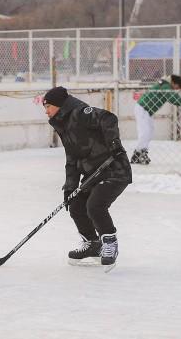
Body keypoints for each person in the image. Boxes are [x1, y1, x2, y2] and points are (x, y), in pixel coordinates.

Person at [44, 86, 132, 269]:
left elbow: (109, 118)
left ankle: (109, 243)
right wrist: (70, 187)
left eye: (48, 106)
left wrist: (114, 144)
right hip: (94, 174)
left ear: (60, 105)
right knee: (76, 204)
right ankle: (93, 244)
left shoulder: (80, 113)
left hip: (114, 169)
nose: (46, 111)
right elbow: (72, 159)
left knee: (95, 205)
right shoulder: (63, 125)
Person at [131, 75, 181, 165]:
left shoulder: (164, 84)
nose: (175, 90)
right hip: (143, 108)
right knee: (145, 132)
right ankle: (138, 153)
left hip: (146, 110)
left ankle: (142, 151)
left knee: (150, 131)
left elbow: (172, 96)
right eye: (176, 88)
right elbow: (172, 97)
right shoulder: (165, 86)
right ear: (174, 83)